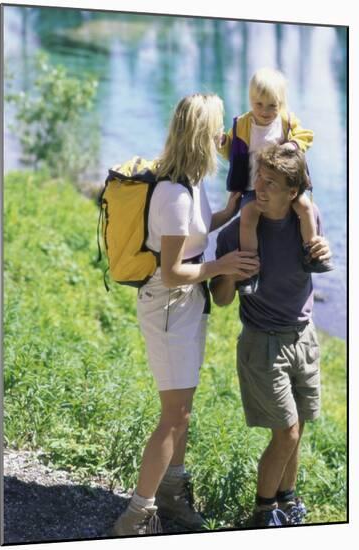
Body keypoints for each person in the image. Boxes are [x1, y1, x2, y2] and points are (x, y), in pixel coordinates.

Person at [110, 93, 259, 537]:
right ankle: (136, 516)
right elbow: (174, 272)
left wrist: (226, 213)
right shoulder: (173, 192)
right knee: (173, 415)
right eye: (217, 128)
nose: (223, 137)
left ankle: (171, 496)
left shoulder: (191, 181)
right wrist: (223, 266)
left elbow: (190, 233)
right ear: (200, 133)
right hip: (169, 306)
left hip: (187, 305)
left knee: (183, 412)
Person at [210, 144, 332, 527]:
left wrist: (324, 249)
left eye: (272, 183)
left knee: (298, 429)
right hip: (263, 343)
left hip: (304, 338)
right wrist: (228, 271)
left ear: (292, 192)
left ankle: (287, 499)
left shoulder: (307, 220)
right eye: (259, 178)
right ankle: (263, 513)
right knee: (287, 432)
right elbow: (221, 299)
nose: (260, 187)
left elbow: (316, 262)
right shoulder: (237, 232)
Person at [219, 67, 332, 295]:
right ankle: (250, 271)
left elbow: (307, 136)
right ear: (251, 100)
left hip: (283, 187)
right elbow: (232, 153)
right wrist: (222, 144)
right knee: (248, 216)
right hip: (253, 186)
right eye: (259, 104)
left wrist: (293, 145)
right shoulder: (242, 124)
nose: (265, 111)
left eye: (273, 105)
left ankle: (311, 253)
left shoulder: (286, 121)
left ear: (281, 103)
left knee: (305, 207)